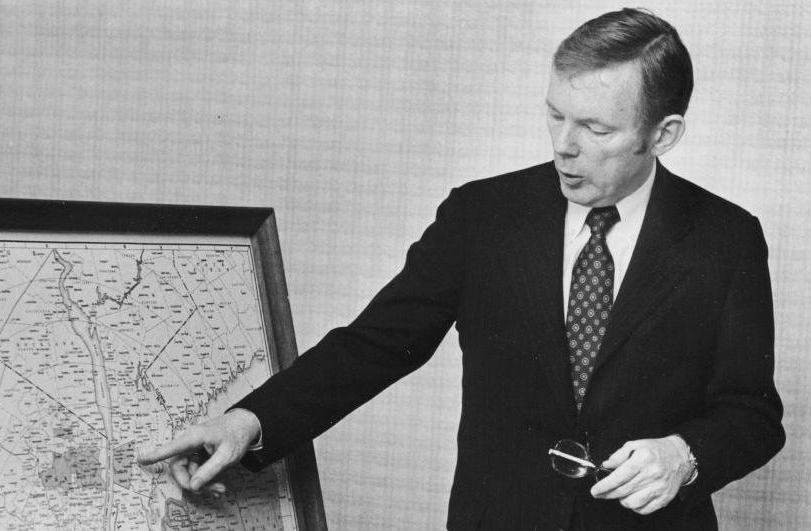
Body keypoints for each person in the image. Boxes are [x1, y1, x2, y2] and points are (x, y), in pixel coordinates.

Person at [139, 8, 784, 529]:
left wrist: (686, 456)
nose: (564, 144)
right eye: (556, 114)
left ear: (664, 134)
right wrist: (251, 423)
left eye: (596, 128)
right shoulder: (482, 214)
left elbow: (752, 414)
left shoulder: (726, 240)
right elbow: (375, 346)